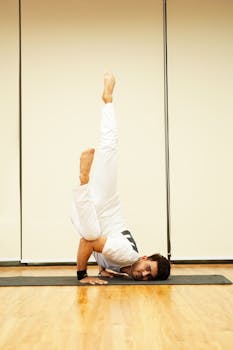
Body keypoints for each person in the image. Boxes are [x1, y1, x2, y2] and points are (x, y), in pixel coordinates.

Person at [71, 72, 170, 285]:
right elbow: (89, 244)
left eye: (148, 276)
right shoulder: (127, 254)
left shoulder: (125, 265)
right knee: (109, 148)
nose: (143, 274)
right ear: (144, 258)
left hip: (92, 209)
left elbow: (104, 249)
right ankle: (108, 100)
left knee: (92, 231)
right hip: (100, 207)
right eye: (147, 268)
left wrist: (104, 268)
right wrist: (83, 276)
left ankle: (84, 182)